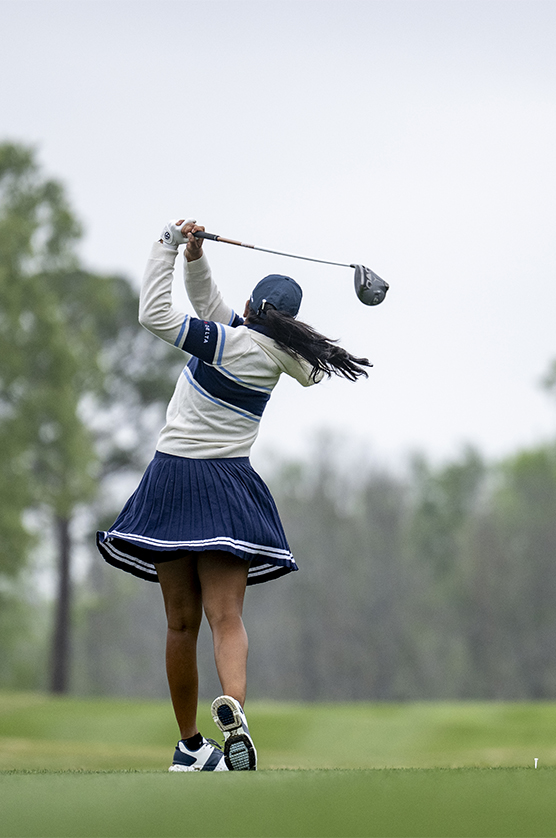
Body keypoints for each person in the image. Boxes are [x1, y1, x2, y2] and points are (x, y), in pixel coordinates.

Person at [96, 219, 372, 771]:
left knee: (180, 623)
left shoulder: (226, 340)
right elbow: (215, 308)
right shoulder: (279, 356)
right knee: (227, 619)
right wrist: (197, 260)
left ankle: (188, 745)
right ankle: (235, 714)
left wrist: (168, 246)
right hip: (227, 488)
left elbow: (156, 315)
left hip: (173, 482)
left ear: (253, 305)